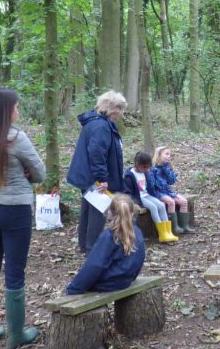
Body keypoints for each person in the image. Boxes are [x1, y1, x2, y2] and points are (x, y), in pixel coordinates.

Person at [0, 88, 45, 349]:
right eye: (16, 107)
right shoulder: (16, 138)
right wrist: (26, 172)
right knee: (14, 271)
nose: (18, 111)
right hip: (14, 210)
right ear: (6, 110)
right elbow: (40, 173)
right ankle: (15, 336)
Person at [66, 90, 127, 254]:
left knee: (88, 208)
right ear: (111, 108)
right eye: (120, 109)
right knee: (98, 212)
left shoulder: (96, 123)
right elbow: (96, 152)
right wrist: (102, 178)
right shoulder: (101, 126)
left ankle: (85, 244)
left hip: (87, 175)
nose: (121, 113)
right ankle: (93, 248)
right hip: (93, 176)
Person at [66, 194, 146, 295]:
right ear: (131, 213)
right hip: (126, 280)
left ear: (110, 213)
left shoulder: (109, 236)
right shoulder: (137, 232)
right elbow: (140, 258)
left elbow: (94, 266)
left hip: (107, 284)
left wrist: (73, 288)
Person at [124, 151, 177, 243]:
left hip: (147, 195)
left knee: (161, 205)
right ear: (138, 165)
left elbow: (150, 188)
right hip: (139, 198)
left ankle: (168, 232)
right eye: (144, 167)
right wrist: (134, 203)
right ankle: (162, 233)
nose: (146, 169)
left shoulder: (145, 172)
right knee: (153, 207)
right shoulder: (129, 175)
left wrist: (156, 196)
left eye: (148, 167)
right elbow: (128, 192)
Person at [149, 145, 194, 234]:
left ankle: (184, 226)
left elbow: (171, 181)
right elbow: (152, 185)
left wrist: (166, 168)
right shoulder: (152, 169)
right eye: (166, 154)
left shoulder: (167, 167)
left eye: (170, 154)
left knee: (184, 201)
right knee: (171, 202)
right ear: (158, 155)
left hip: (168, 191)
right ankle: (175, 227)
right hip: (158, 193)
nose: (169, 156)